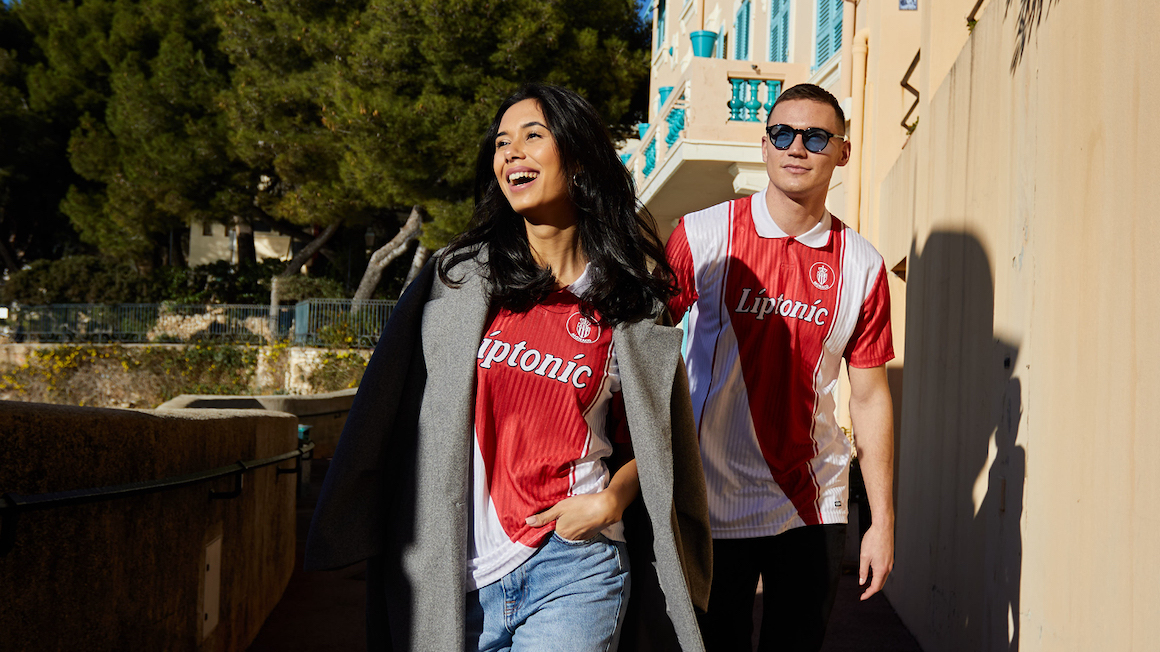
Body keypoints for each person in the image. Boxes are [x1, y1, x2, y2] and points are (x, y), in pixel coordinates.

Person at [305, 83, 712, 652]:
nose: (511, 152)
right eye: (501, 143)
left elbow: (656, 437)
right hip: (454, 571)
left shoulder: (630, 303)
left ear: (578, 158)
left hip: (575, 565)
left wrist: (611, 500)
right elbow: (385, 409)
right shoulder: (456, 283)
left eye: (532, 136)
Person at [664, 83, 896, 651]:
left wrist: (882, 521)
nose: (797, 147)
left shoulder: (864, 266)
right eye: (783, 133)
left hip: (811, 502)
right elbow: (642, 351)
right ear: (764, 145)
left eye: (816, 137)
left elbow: (869, 397)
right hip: (710, 498)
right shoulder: (701, 234)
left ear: (842, 152)